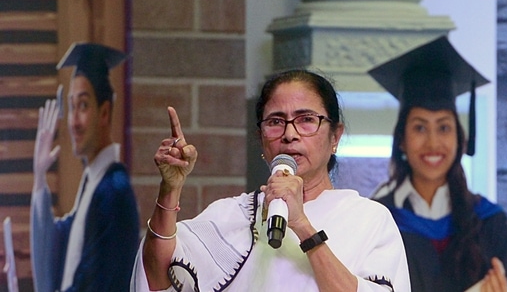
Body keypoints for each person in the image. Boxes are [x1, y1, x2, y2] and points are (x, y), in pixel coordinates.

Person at [130, 69, 411, 291]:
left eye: (306, 120)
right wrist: (171, 188)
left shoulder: (369, 220)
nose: (290, 134)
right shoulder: (231, 215)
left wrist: (301, 225)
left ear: (335, 136)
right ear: (261, 139)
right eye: (276, 121)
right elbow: (156, 279)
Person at [368, 36, 507, 292]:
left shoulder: (491, 224)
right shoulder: (377, 221)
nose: (433, 142)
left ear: (460, 140)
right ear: (402, 141)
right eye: (420, 127)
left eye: (444, 127)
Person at [31, 42, 140, 292]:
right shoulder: (94, 183)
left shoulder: (114, 192)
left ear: (104, 112)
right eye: (71, 107)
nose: (74, 122)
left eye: (83, 105)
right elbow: (62, 242)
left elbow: (93, 284)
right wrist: (39, 179)